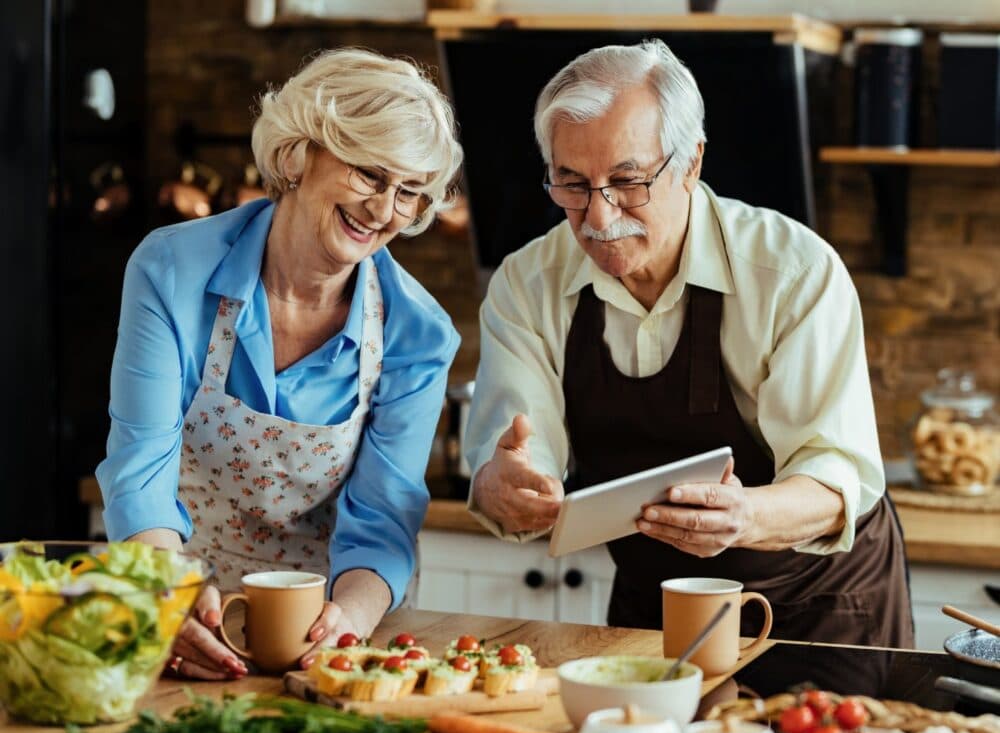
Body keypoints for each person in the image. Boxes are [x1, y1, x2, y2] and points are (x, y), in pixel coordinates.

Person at [464, 39, 913, 647]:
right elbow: (516, 460)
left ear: (692, 162)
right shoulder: (526, 284)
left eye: (627, 181)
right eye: (572, 185)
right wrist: (504, 488)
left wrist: (746, 515)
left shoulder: (795, 272)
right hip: (657, 607)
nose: (598, 218)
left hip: (819, 608)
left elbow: (836, 479)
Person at [96, 48, 463, 679]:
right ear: (299, 153)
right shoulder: (170, 272)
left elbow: (382, 521)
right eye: (370, 174)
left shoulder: (416, 334)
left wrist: (346, 623)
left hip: (327, 634)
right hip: (185, 606)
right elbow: (140, 468)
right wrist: (166, 597)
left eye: (408, 193)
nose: (382, 212)